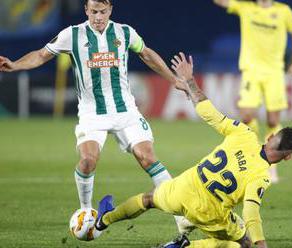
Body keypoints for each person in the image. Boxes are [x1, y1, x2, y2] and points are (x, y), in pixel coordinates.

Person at [0, 0, 189, 232]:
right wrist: (15, 65)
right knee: (88, 161)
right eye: (93, 12)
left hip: (125, 111)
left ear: (110, 10)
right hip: (92, 114)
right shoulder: (72, 34)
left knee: (147, 157)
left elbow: (147, 54)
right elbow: (41, 55)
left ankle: (181, 217)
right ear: (86, 11)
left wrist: (174, 80)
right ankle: (86, 211)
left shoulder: (125, 32)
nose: (98, 17)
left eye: (102, 12)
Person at [94, 52, 292, 248]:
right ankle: (187, 246)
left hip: (186, 186)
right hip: (209, 212)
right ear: (288, 157)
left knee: (148, 199)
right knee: (242, 243)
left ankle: (104, 220)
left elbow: (209, 112)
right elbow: (251, 211)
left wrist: (190, 81)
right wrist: (260, 243)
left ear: (271, 137)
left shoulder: (244, 134)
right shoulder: (262, 176)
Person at [213, 0, 292, 183]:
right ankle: (252, 156)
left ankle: (271, 167)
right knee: (246, 115)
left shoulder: (283, 11)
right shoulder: (246, 8)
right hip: (251, 70)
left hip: (274, 72)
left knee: (273, 120)